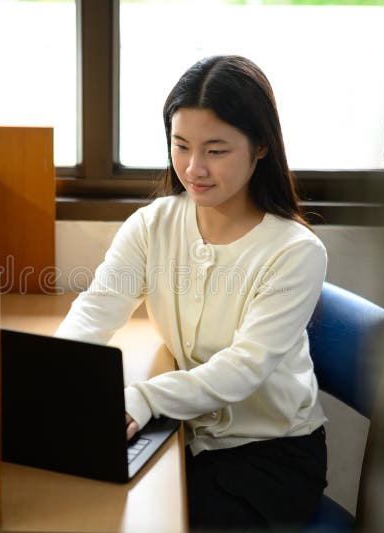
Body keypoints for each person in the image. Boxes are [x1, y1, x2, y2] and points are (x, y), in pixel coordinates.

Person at [55, 55, 327, 530]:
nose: (194, 167)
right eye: (181, 146)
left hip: (269, 455)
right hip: (185, 432)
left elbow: (243, 369)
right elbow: (96, 310)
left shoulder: (296, 252)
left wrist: (143, 397)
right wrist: (51, 376)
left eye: (216, 150)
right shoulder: (152, 224)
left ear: (260, 145)